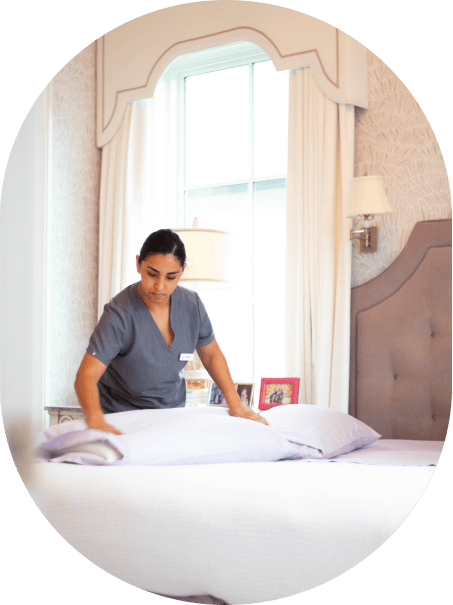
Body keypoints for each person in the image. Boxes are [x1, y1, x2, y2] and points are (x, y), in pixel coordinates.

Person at [74, 229, 268, 434]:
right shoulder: (120, 312)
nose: (160, 286)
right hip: (123, 416)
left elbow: (211, 356)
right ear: (138, 264)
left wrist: (235, 404)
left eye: (171, 277)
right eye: (152, 274)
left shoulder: (192, 304)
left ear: (183, 271)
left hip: (171, 415)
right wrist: (96, 420)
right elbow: (86, 375)